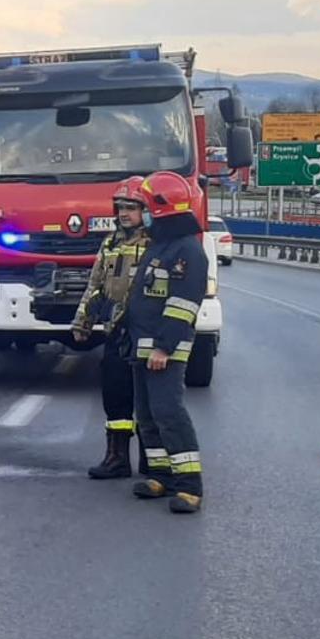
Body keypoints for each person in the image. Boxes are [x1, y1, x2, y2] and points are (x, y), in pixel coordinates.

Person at [124, 172, 210, 514]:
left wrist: (164, 347)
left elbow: (183, 305)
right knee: (146, 415)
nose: (142, 213)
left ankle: (189, 486)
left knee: (168, 413)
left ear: (161, 209)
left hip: (164, 350)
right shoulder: (160, 246)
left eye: (145, 207)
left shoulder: (187, 250)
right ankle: (161, 476)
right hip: (143, 347)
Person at [72, 176, 150, 479]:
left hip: (145, 331)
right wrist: (83, 321)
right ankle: (117, 458)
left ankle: (152, 460)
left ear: (146, 210)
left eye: (131, 207)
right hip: (115, 331)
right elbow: (95, 285)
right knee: (115, 394)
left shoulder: (156, 244)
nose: (124, 213)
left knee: (147, 399)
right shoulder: (110, 243)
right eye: (120, 207)